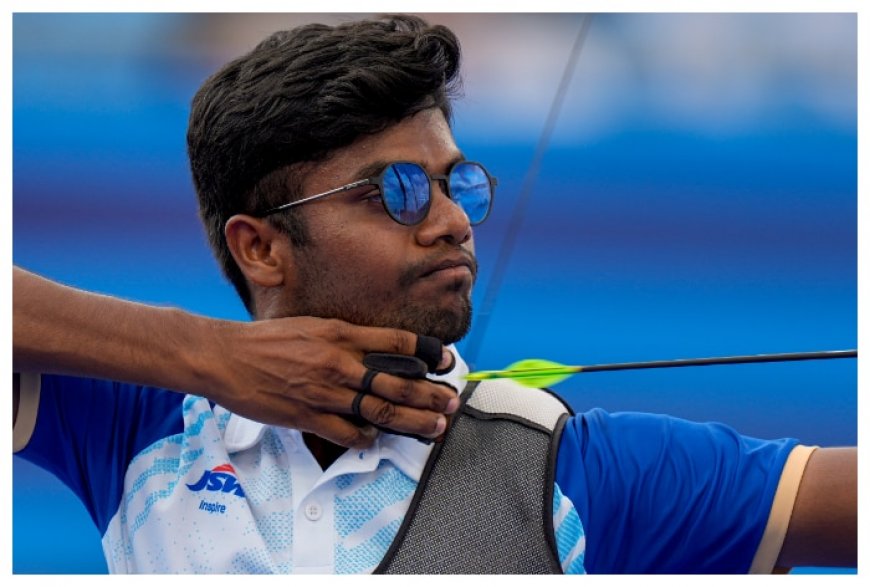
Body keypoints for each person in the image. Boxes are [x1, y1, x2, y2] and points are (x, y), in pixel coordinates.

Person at [12, 15, 856, 574]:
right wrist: (216, 359)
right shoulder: (144, 426)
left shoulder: (571, 469)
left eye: (459, 185)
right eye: (399, 190)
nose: (452, 220)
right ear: (260, 247)